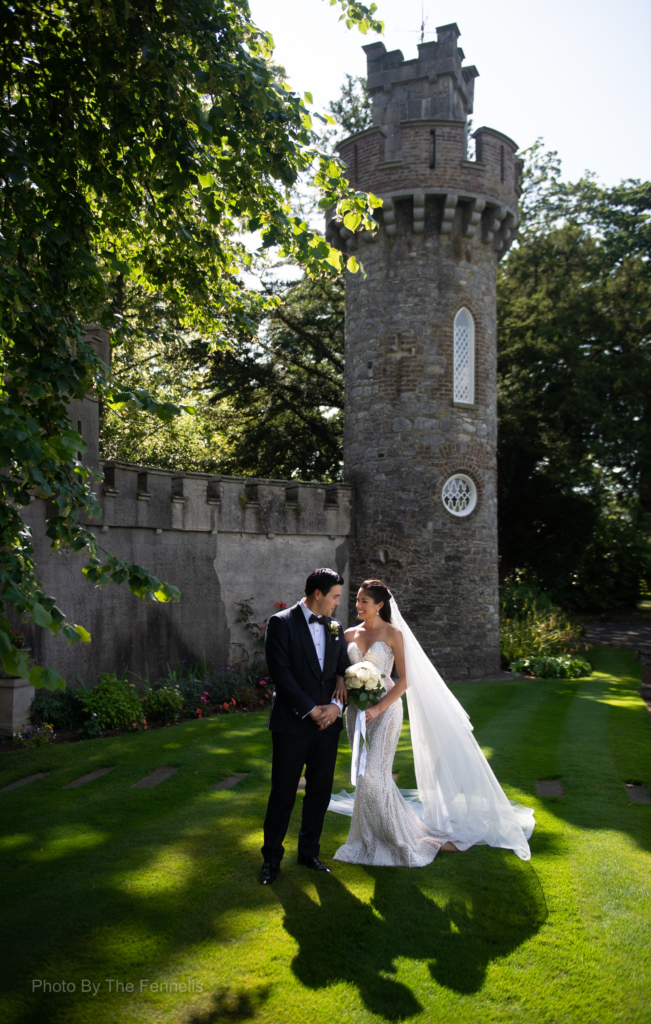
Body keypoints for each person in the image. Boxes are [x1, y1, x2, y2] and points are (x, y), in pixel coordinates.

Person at [329, 580, 535, 866]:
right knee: (367, 777)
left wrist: (378, 708)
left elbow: (405, 678)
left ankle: (403, 839)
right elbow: (339, 669)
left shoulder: (393, 634)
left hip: (385, 712)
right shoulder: (348, 634)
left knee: (373, 778)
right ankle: (371, 837)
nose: (358, 605)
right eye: (357, 600)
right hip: (357, 715)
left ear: (379, 605)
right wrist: (342, 680)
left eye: (364, 601)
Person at [259, 568, 350, 885]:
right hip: (292, 725)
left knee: (320, 792)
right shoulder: (280, 623)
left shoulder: (337, 628)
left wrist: (336, 708)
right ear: (318, 594)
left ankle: (309, 852)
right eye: (335, 596)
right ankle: (271, 859)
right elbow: (280, 672)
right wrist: (311, 710)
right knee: (283, 792)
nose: (338, 603)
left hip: (328, 728)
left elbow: (345, 673)